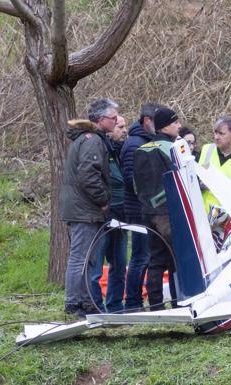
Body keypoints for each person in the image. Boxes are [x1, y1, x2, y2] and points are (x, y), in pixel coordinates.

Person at [60, 98, 118, 318]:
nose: (115, 122)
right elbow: (89, 175)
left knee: (89, 258)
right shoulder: (92, 140)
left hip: (83, 209)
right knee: (80, 258)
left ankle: (86, 302)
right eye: (112, 118)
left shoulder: (89, 139)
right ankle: (73, 303)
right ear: (101, 119)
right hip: (84, 210)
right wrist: (103, 201)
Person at [133, 107, 181, 310]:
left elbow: (134, 184)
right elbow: (181, 179)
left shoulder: (141, 149)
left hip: (147, 212)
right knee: (176, 259)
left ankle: (155, 304)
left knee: (155, 259)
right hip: (168, 212)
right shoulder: (171, 149)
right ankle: (179, 300)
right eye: (175, 122)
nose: (179, 126)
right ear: (165, 126)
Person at [120, 102, 163, 312]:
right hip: (138, 209)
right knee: (140, 256)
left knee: (145, 255)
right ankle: (133, 302)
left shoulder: (145, 141)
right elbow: (131, 178)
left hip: (146, 207)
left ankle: (136, 301)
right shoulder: (135, 144)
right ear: (147, 121)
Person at [89, 115, 128, 313]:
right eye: (120, 126)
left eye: (124, 126)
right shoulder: (101, 148)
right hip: (104, 214)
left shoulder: (121, 151)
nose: (123, 130)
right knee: (96, 265)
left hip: (121, 215)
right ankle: (96, 306)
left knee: (120, 263)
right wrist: (104, 204)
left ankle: (115, 305)